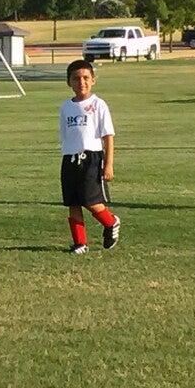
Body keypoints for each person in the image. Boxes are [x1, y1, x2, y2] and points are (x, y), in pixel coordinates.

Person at [59, 59, 121, 253]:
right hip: (70, 159)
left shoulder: (98, 104)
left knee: (91, 201)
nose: (81, 82)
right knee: (73, 202)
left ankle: (110, 222)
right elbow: (66, 135)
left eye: (86, 78)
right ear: (69, 82)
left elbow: (108, 136)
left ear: (93, 80)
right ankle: (80, 243)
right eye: (76, 78)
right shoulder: (65, 107)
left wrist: (108, 164)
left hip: (91, 158)